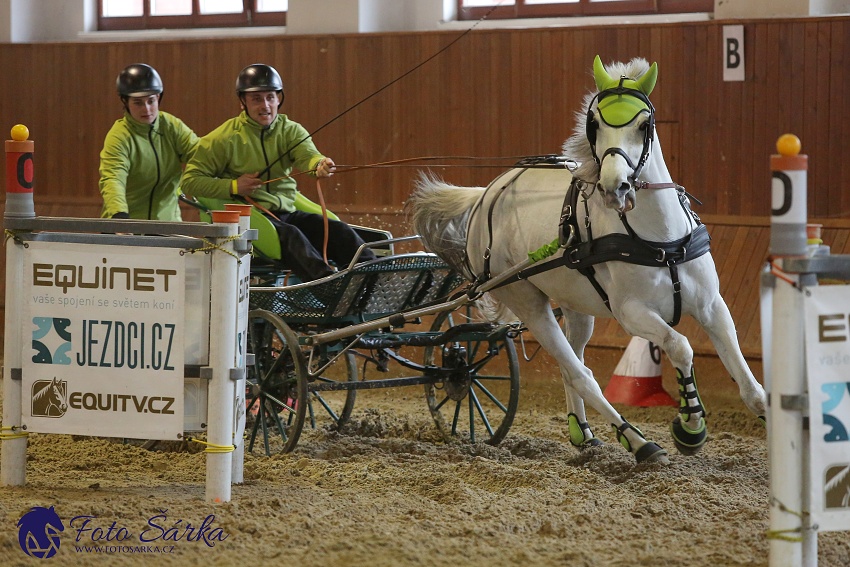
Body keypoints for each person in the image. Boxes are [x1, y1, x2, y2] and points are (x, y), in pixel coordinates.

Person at [180, 63, 376, 281]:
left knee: (338, 230)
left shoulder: (290, 130)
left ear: (278, 99)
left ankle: (374, 279)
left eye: (270, 98)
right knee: (292, 236)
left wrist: (319, 164)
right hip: (250, 217)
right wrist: (234, 186)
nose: (265, 105)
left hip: (287, 212)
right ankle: (328, 288)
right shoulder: (223, 138)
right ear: (243, 102)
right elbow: (190, 182)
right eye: (257, 99)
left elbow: (308, 156)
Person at [99, 63, 199, 221]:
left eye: (151, 101)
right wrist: (119, 215)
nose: (146, 109)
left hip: (167, 224)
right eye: (138, 103)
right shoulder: (119, 136)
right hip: (126, 222)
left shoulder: (172, 126)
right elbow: (113, 179)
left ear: (158, 98)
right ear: (125, 102)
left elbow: (201, 154)